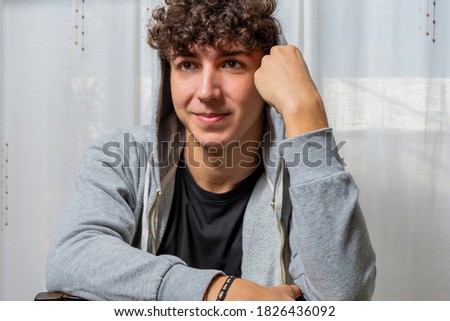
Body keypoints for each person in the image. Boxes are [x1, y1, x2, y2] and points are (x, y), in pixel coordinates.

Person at [46, 0, 376, 301]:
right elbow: (72, 256)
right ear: (168, 76)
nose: (207, 91)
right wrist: (219, 292)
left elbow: (343, 298)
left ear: (267, 79)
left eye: (231, 62)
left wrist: (305, 111)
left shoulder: (303, 177)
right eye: (188, 64)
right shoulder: (121, 155)